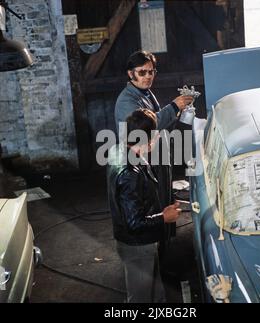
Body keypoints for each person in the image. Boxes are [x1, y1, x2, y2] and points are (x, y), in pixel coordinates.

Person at [114, 50, 193, 250]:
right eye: (142, 72)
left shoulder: (144, 93)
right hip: (144, 161)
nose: (148, 76)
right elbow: (146, 128)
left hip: (154, 157)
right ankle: (154, 253)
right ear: (130, 74)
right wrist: (174, 107)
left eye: (151, 72)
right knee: (149, 208)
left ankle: (162, 248)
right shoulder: (126, 102)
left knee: (161, 200)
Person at [107, 109, 182, 303]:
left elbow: (141, 197)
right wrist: (164, 217)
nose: (157, 138)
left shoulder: (122, 151)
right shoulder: (129, 174)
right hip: (138, 246)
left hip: (143, 242)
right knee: (140, 298)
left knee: (156, 294)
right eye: (155, 135)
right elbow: (134, 223)